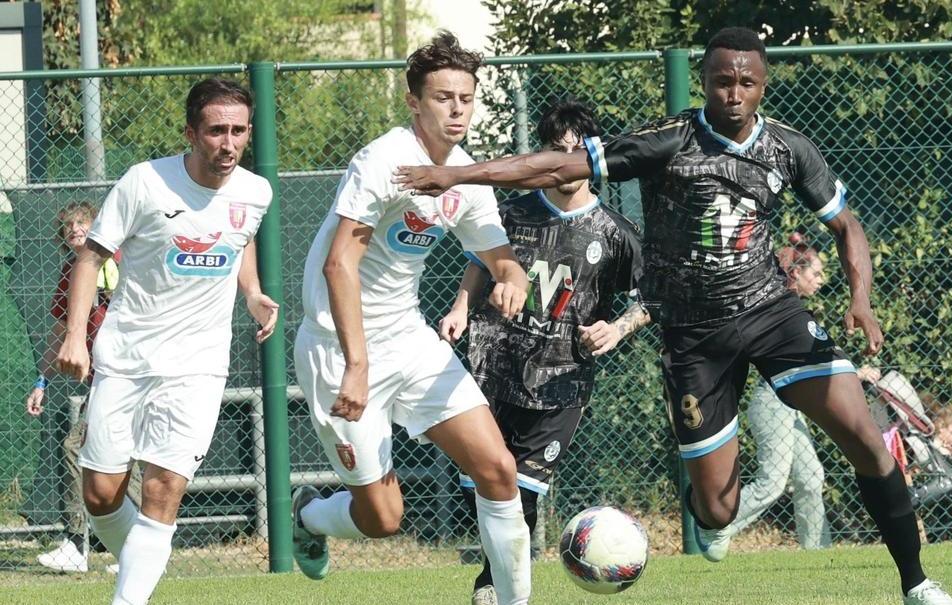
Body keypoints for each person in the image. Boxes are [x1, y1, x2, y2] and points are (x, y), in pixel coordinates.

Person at [395, 26, 952, 605]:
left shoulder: (790, 150)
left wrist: (859, 299)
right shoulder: (670, 140)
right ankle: (711, 502)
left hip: (771, 312)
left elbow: (846, 226)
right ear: (706, 83)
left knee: (863, 436)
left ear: (764, 84)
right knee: (718, 510)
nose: (734, 93)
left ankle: (918, 584)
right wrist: (456, 174)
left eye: (746, 82)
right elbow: (557, 168)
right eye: (722, 82)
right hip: (694, 338)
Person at [289, 32, 532, 605]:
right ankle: (311, 515)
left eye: (466, 98)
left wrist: (513, 280)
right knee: (383, 518)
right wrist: (356, 364)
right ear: (413, 101)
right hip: (337, 347)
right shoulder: (383, 162)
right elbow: (338, 266)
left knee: (498, 470)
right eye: (443, 97)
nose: (456, 110)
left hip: (408, 337)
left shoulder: (467, 175)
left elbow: (501, 258)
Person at [55, 78, 278, 605]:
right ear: (190, 133)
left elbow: (239, 238)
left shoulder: (256, 191)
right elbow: (91, 258)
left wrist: (252, 291)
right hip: (126, 358)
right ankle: (141, 567)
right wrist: (75, 339)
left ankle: (130, 597)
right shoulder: (144, 183)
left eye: (239, 131)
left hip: (198, 365)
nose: (228, 143)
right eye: (216, 131)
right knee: (100, 495)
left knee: (162, 489)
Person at [437, 100, 649, 605]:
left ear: (593, 157)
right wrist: (461, 307)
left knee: (523, 491)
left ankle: (492, 583)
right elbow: (478, 261)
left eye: (578, 151)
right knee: (486, 486)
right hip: (495, 367)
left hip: (562, 380)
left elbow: (652, 297)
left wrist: (617, 328)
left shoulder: (615, 233)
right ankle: (502, 576)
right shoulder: (511, 212)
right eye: (558, 150)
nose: (567, 160)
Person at [703, 233, 881, 560]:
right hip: (771, 404)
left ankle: (816, 553)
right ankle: (715, 524)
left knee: (812, 478)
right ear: (795, 273)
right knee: (772, 482)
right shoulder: (776, 303)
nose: (822, 280)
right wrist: (855, 373)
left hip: (791, 407)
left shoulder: (795, 306)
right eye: (816, 273)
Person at [25, 201, 140, 573]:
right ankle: (136, 549)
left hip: (130, 372)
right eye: (68, 225)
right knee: (124, 457)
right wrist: (41, 381)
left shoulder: (118, 260)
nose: (75, 229)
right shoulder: (68, 274)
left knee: (78, 447)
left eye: (82, 223)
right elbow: (60, 333)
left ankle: (80, 545)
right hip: (104, 379)